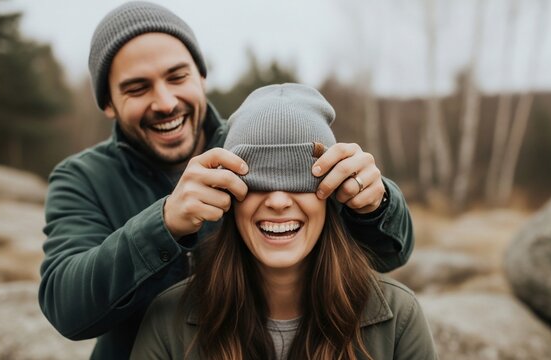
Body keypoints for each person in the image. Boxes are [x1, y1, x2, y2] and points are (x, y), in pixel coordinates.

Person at [39, 2, 415, 359]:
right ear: (107, 103)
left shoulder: (257, 142)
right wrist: (165, 223)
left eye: (177, 76)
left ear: (201, 77)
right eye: (137, 88)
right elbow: (68, 308)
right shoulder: (83, 178)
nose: (165, 101)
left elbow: (388, 255)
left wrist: (377, 203)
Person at [130, 83, 436, 360]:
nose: (278, 201)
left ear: (332, 193)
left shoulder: (398, 318)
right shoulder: (167, 322)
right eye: (257, 182)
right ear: (227, 195)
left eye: (298, 180)